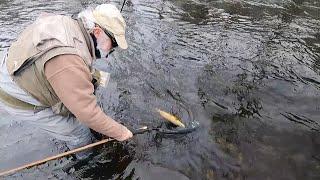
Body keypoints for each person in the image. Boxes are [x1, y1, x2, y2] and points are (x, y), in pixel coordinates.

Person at [0, 4, 133, 159]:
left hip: (16, 67)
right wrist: (122, 132)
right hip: (15, 93)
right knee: (79, 131)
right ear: (97, 32)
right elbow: (87, 113)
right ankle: (85, 159)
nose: (112, 50)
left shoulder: (70, 24)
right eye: (114, 44)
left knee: (92, 83)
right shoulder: (68, 58)